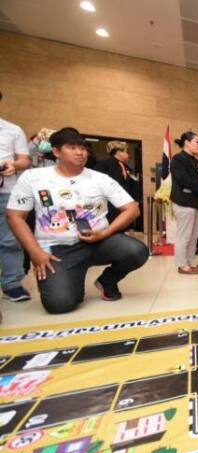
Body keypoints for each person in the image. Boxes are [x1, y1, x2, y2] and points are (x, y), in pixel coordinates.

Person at [6, 128, 149, 314]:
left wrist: (103, 234)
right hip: (57, 249)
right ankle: (70, 281)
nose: (80, 152)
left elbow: (132, 209)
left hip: (98, 242)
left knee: (136, 251)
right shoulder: (33, 178)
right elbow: (15, 216)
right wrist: (35, 253)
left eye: (82, 148)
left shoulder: (99, 178)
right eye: (72, 148)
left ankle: (107, 281)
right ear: (56, 152)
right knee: (60, 304)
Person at [0, 90, 32, 303]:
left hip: (6, 191)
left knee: (10, 239)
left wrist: (13, 165)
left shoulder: (12, 130)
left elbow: (25, 160)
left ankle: (12, 283)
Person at [170, 131, 198, 275]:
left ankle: (191, 262)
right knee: (184, 235)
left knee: (194, 235)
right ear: (186, 142)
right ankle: (182, 265)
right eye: (197, 142)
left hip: (195, 202)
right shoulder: (178, 159)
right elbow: (184, 180)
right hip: (183, 202)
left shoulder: (195, 160)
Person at [95, 140, 140, 226]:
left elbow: (132, 183)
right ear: (119, 152)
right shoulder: (103, 164)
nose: (128, 154)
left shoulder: (125, 167)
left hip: (124, 203)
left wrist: (136, 199)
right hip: (109, 204)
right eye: (126, 152)